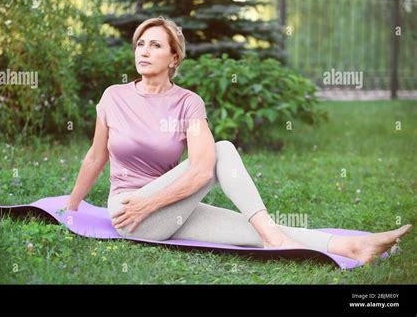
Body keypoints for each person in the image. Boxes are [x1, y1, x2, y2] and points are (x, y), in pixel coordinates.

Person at [65, 17, 412, 264]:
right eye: (140, 43)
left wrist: (152, 203)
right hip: (130, 214)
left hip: (164, 208)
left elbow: (201, 172)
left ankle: (352, 248)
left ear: (173, 58)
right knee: (224, 149)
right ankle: (276, 238)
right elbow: (96, 157)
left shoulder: (188, 103)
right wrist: (71, 208)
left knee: (252, 228)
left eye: (155, 45)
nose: (143, 50)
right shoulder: (113, 96)